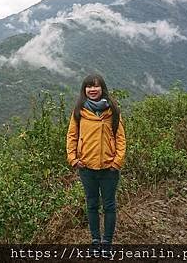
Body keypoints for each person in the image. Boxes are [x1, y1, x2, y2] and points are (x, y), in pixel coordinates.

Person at [66, 74, 126, 245]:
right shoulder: (79, 111)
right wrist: (73, 159)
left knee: (109, 206)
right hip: (86, 167)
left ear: (102, 89)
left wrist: (117, 162)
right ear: (84, 90)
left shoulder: (112, 110)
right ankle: (95, 240)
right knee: (92, 205)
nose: (92, 90)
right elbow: (72, 136)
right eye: (89, 87)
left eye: (96, 86)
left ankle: (107, 241)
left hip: (109, 168)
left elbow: (120, 137)